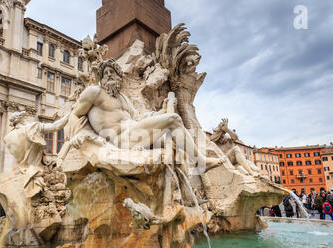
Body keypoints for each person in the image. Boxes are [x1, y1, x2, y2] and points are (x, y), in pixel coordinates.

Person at [68, 59, 226, 174]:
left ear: (118, 76)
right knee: (174, 120)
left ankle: (184, 196)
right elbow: (74, 114)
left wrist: (161, 112)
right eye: (105, 73)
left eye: (112, 72)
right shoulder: (94, 92)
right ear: (101, 78)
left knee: (177, 143)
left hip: (137, 134)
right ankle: (201, 162)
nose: (109, 75)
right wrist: (78, 135)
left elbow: (138, 119)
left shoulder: (123, 98)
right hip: (121, 139)